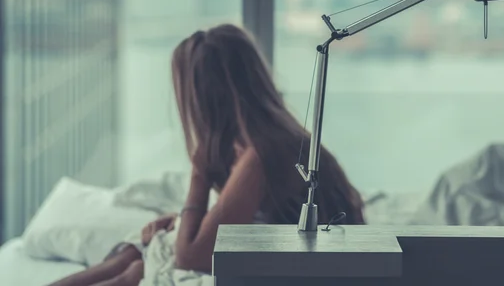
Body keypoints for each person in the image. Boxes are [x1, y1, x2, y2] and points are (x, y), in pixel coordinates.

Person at [49, 24, 365, 286]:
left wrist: (198, 175)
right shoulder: (277, 138)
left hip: (303, 270)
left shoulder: (262, 155)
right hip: (292, 255)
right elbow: (244, 223)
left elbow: (193, 257)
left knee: (139, 265)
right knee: (137, 251)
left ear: (207, 98)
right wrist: (183, 220)